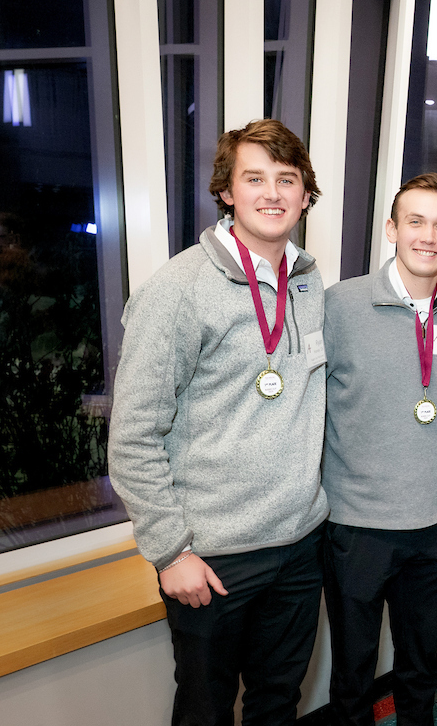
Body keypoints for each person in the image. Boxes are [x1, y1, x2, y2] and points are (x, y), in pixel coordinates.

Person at [108, 119, 328, 726]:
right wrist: (169, 550)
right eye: (254, 178)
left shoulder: (308, 284)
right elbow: (132, 437)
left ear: (306, 195)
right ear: (226, 192)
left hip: (298, 546)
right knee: (204, 710)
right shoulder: (178, 289)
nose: (273, 194)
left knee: (277, 704)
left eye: (287, 180)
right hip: (212, 556)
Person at [321, 173, 437, 726]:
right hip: (355, 527)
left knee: (418, 672)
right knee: (353, 674)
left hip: (434, 526)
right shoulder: (340, 305)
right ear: (392, 228)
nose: (428, 236)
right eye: (415, 222)